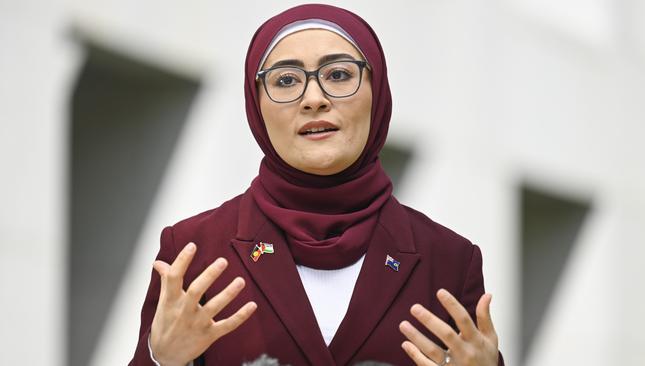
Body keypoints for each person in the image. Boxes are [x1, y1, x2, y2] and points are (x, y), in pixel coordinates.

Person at [129, 4, 504, 366]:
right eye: (286, 80)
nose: (314, 99)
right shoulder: (195, 252)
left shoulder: (449, 259)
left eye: (339, 75)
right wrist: (163, 362)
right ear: (255, 104)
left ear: (378, 91)